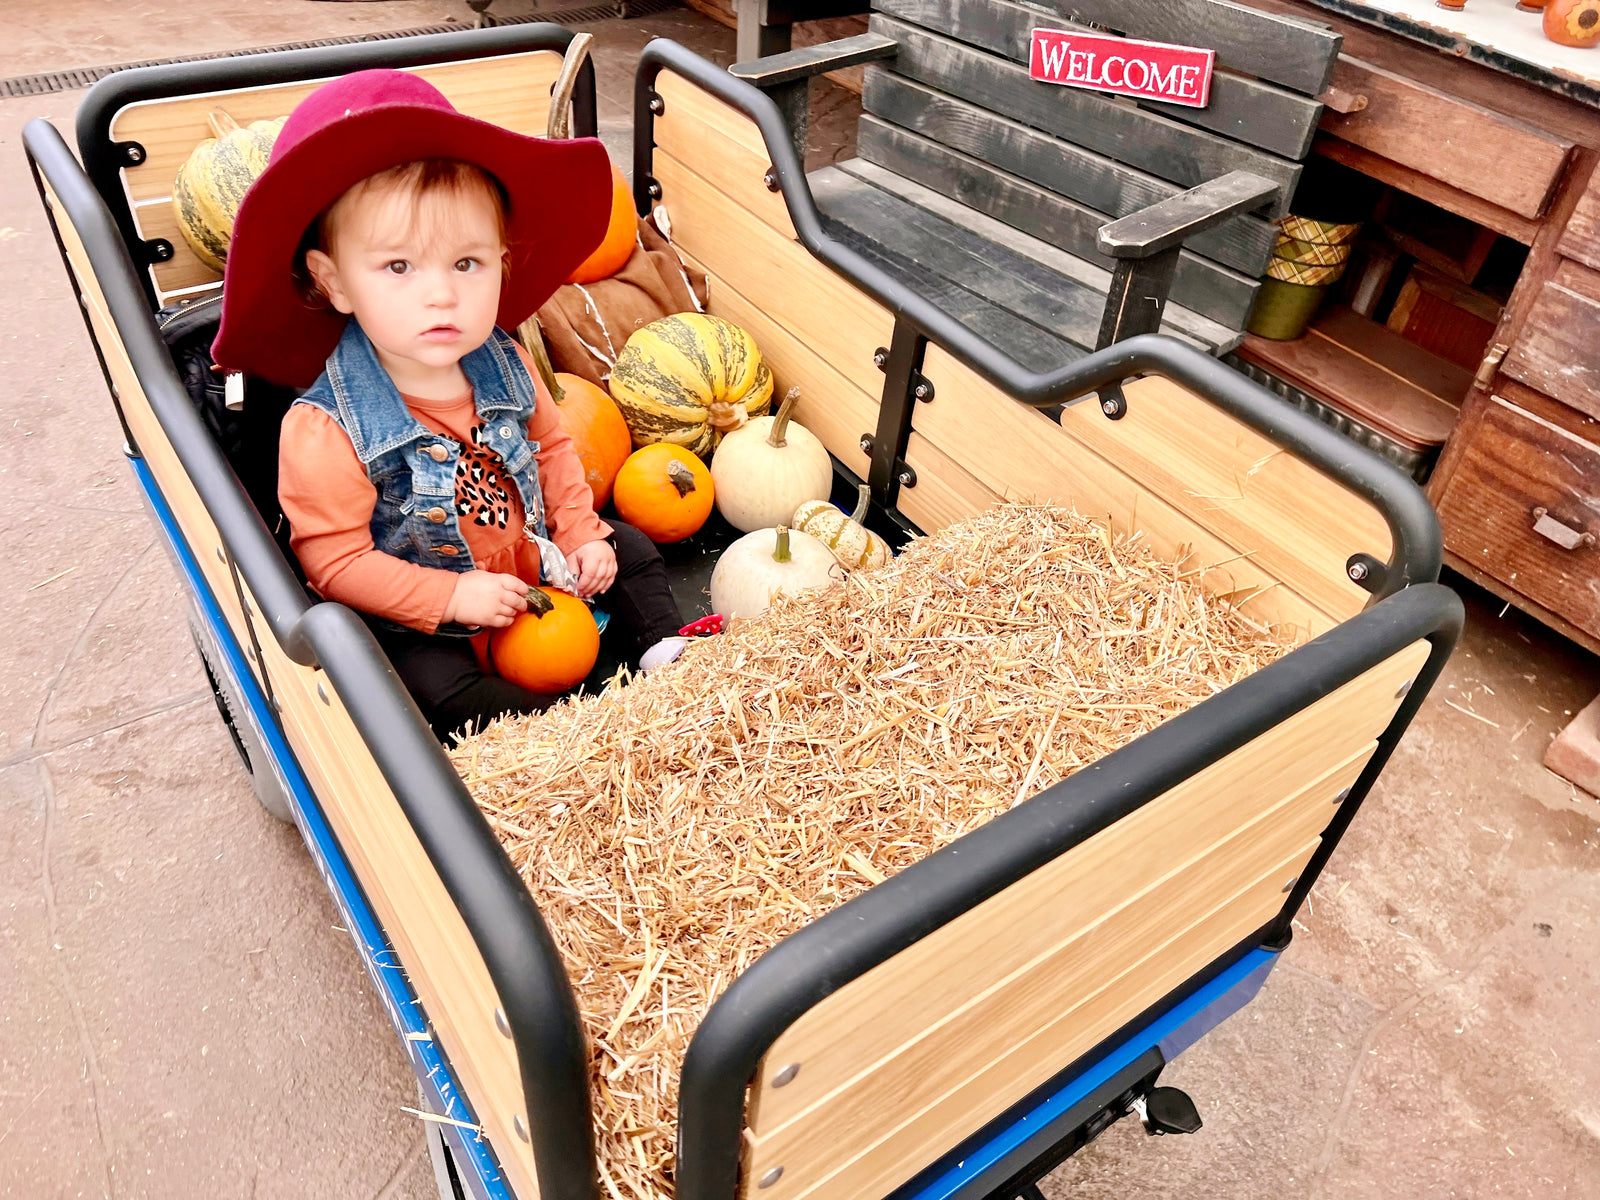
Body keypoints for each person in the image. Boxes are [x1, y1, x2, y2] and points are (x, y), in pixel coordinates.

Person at [212, 68, 687, 739]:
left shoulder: (505, 360)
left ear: (502, 261)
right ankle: (547, 738)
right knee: (420, 685)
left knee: (629, 547)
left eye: (466, 264)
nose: (441, 295)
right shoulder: (324, 429)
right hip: (424, 612)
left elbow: (553, 447)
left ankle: (668, 658)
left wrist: (579, 532)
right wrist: (451, 596)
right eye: (398, 267)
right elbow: (337, 564)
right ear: (334, 282)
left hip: (532, 563)